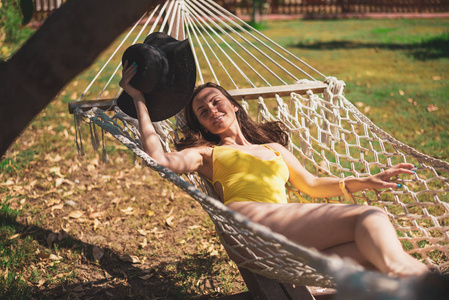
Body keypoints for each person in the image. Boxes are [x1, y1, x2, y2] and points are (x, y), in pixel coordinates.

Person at [118, 50, 428, 279]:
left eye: (216, 101)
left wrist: (365, 180)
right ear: (201, 125)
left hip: (288, 234)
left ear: (234, 105)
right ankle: (420, 281)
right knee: (371, 217)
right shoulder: (206, 154)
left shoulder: (273, 148)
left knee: (374, 256)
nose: (211, 110)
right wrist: (139, 101)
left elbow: (313, 185)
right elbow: (159, 160)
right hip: (256, 233)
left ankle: (417, 282)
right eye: (202, 111)